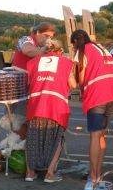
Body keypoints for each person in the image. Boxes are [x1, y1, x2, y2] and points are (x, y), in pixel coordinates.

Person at [70, 29, 113, 186]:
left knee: (95, 136)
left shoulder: (83, 50)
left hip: (98, 95)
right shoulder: (101, 48)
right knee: (102, 135)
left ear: (75, 42)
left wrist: (79, 88)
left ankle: (93, 176)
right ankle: (98, 174)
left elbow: (80, 78)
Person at [24, 44, 77, 183]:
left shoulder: (33, 62)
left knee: (32, 138)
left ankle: (30, 173)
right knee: (56, 139)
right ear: (60, 50)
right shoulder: (65, 62)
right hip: (56, 106)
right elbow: (73, 84)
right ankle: (49, 174)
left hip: (36, 105)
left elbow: (29, 82)